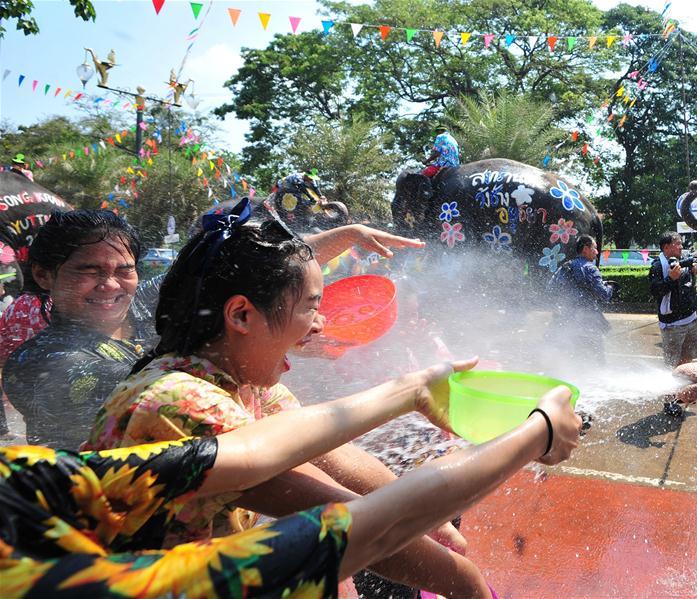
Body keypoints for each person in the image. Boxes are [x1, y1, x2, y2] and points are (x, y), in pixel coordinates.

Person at [84, 199, 492, 597]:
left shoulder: (243, 383)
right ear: (241, 315)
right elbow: (351, 524)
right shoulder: (182, 403)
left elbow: (336, 453)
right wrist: (469, 584)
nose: (321, 325)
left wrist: (435, 525)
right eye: (310, 308)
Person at [1, 362, 581, 597]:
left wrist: (408, 391)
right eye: (308, 305)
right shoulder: (69, 582)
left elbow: (253, 453)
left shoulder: (22, 477)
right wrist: (536, 434)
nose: (322, 323)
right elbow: (359, 533)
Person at [1, 210, 162, 448]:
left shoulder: (142, 307)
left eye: (124, 271)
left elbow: (195, 272)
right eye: (89, 271)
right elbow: (171, 398)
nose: (110, 285)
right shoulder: (36, 363)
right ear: (43, 275)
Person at [546, 235, 617, 360]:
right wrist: (611, 287)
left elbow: (550, 290)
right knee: (597, 360)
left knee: (574, 358)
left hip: (568, 323)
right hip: (589, 323)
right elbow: (604, 295)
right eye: (594, 248)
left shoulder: (565, 267)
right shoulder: (591, 268)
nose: (597, 252)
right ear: (585, 249)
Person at [648, 231, 697, 386]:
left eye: (681, 243)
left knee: (688, 360)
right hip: (672, 326)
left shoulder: (684, 258)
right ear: (666, 247)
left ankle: (684, 388)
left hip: (691, 320)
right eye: (677, 244)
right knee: (671, 365)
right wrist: (671, 279)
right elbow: (655, 291)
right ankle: (670, 394)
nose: (681, 247)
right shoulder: (658, 266)